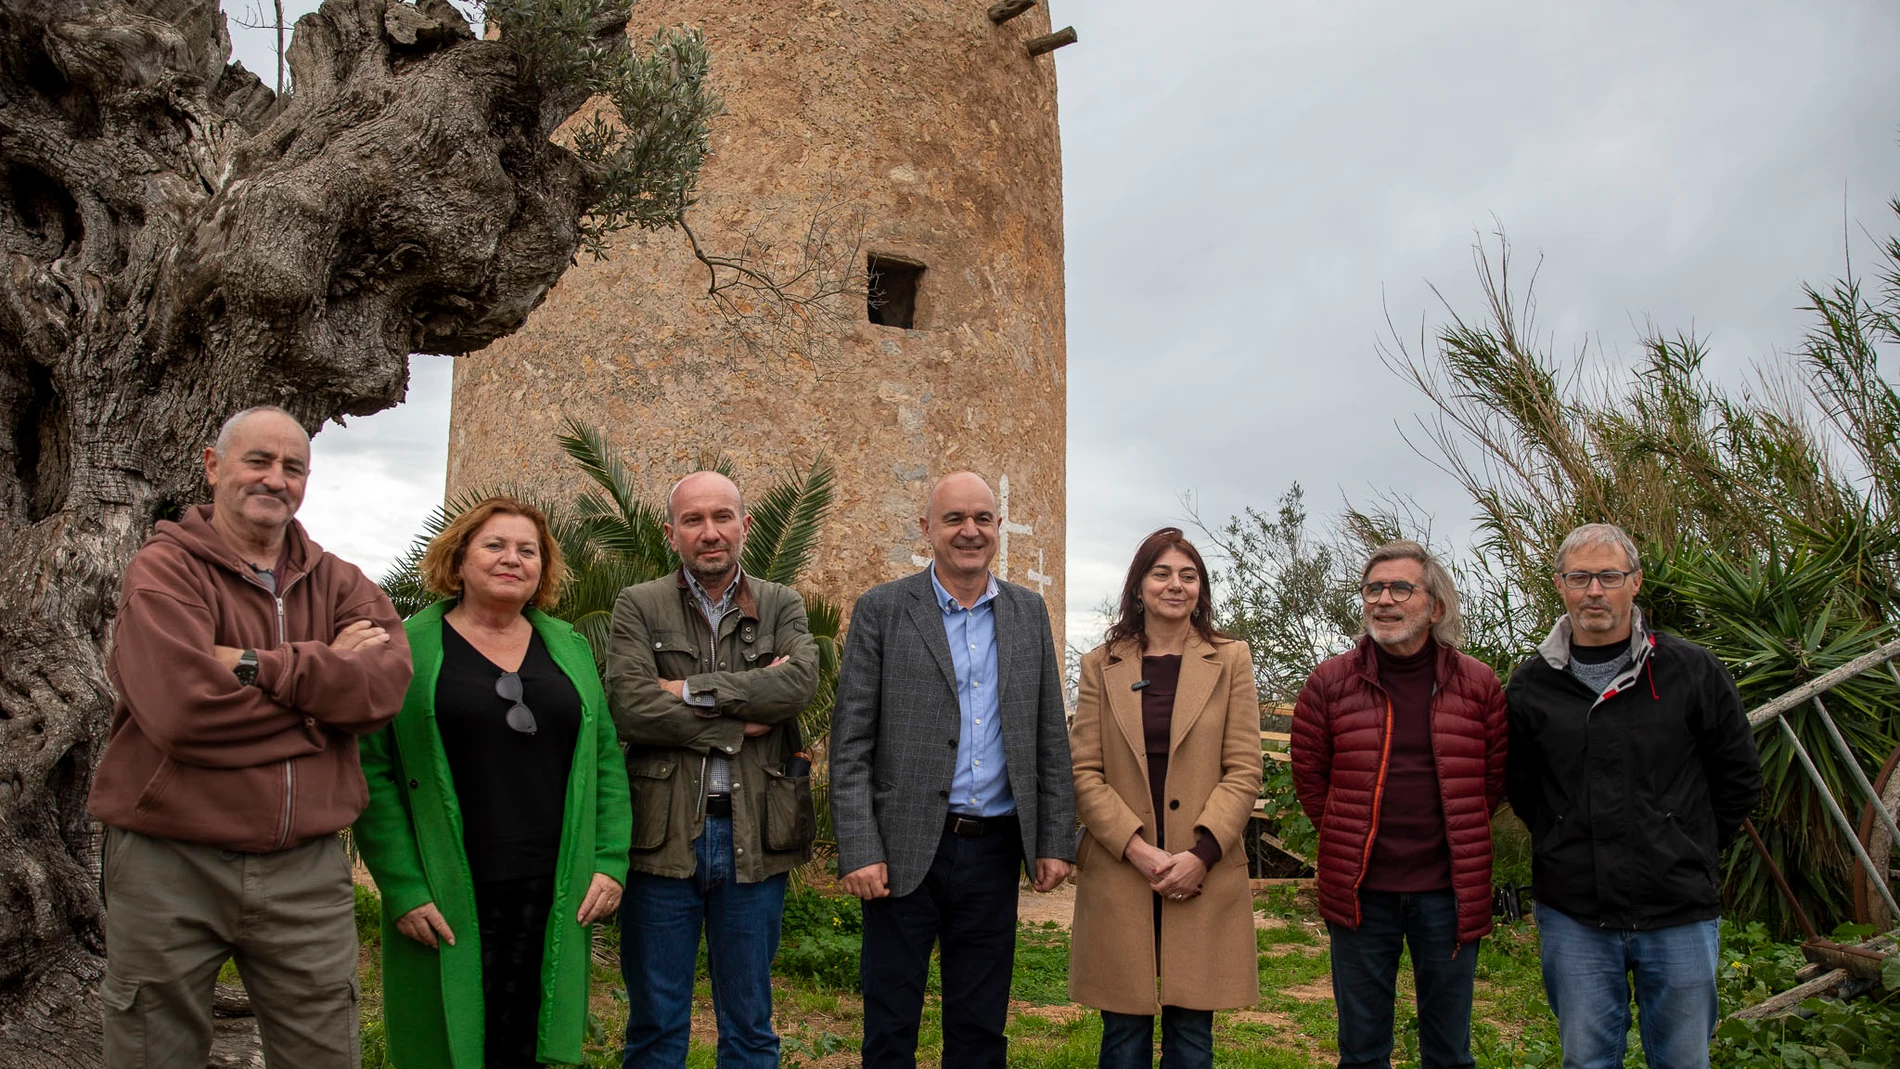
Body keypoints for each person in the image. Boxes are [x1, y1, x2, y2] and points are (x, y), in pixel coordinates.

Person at [88, 405, 412, 1067]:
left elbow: (381, 692)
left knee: (325, 1053)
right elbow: (182, 712)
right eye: (257, 461)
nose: (276, 478)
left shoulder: (341, 581)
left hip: (307, 869)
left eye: (293, 467)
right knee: (153, 1050)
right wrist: (322, 697)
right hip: (170, 860)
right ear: (213, 466)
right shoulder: (164, 570)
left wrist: (253, 664)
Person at [352, 496, 629, 1069]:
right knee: (450, 1038)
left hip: (553, 878)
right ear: (458, 561)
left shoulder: (569, 648)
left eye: (528, 550)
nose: (513, 559)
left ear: (543, 568)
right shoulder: (409, 648)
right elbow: (371, 770)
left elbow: (602, 758)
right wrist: (404, 887)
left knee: (529, 1033)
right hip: (449, 879)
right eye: (495, 546)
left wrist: (609, 859)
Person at [830, 470, 1075, 1069]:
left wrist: (1054, 840)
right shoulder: (883, 611)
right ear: (927, 529)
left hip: (992, 850)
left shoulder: (1028, 614)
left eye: (982, 519)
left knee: (980, 1029)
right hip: (904, 849)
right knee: (889, 1027)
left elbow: (1050, 735)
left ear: (996, 528)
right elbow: (852, 742)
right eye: (955, 519)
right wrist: (860, 847)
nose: (970, 531)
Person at [1506, 523, 1761, 1069]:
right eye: (1579, 577)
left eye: (1609, 576)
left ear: (1636, 582)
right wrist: (1563, 837)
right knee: (1587, 1061)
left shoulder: (1691, 671)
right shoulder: (1531, 686)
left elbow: (1738, 779)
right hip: (1574, 914)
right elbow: (1524, 790)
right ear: (1560, 586)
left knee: (1683, 1060)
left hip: (1678, 911)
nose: (1594, 590)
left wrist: (1683, 842)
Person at [604, 471, 819, 1069]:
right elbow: (630, 705)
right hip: (662, 841)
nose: (709, 533)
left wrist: (689, 689)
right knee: (654, 1024)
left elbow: (796, 684)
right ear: (671, 532)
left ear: (745, 526)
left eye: (722, 517)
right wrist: (735, 722)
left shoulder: (781, 603)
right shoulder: (639, 605)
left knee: (750, 1025)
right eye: (693, 520)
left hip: (756, 837)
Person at [1290, 540, 1507, 1069]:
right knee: (1362, 1052)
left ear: (1435, 606)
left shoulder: (1479, 685)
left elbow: (1493, 781)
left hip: (1448, 894)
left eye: (1400, 588)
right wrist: (1347, 833)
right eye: (1373, 589)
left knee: (1449, 1051)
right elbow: (1311, 779)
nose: (1383, 600)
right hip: (1363, 895)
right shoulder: (1329, 683)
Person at [1068, 528, 1264, 1069]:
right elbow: (1084, 771)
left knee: (1192, 1035)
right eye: (1162, 574)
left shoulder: (1231, 660)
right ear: (1138, 587)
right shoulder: (1100, 665)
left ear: (1200, 588)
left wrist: (1199, 856)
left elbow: (1244, 767)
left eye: (1188, 575)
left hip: (1203, 871)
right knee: (1124, 1036)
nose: (1175, 585)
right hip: (1122, 869)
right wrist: (1139, 850)